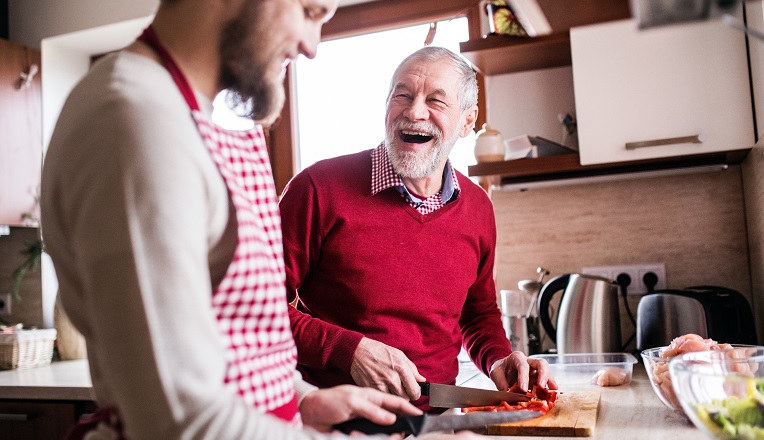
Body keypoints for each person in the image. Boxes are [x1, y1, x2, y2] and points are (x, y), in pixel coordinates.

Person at [41, 0, 481, 438]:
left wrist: (302, 400)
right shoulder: (137, 121)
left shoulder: (179, 114)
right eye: (310, 12)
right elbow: (178, 419)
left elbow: (231, 339)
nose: (310, 47)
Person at [279, 46, 558, 409]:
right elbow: (256, 311)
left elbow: (478, 314)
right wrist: (350, 351)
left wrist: (499, 361)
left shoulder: (478, 208)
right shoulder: (317, 189)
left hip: (436, 422)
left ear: (467, 120)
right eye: (402, 95)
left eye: (436, 101)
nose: (414, 112)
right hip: (333, 421)